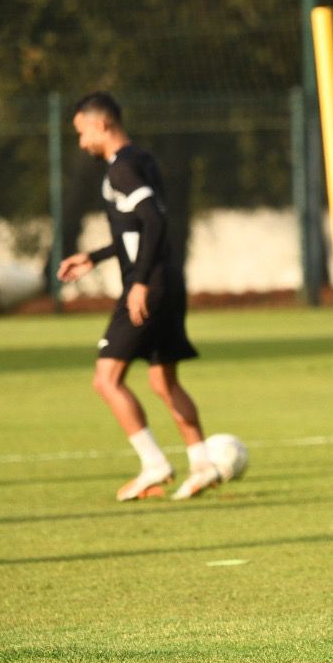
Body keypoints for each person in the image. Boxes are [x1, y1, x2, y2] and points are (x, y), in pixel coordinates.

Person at [56, 92, 221, 502]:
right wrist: (94, 257)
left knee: (106, 379)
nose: (81, 143)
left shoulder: (122, 169)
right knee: (162, 379)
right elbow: (140, 229)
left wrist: (140, 283)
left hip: (149, 286)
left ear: (101, 125)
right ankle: (202, 465)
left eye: (82, 133)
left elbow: (153, 220)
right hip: (169, 281)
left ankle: (153, 463)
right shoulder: (143, 160)